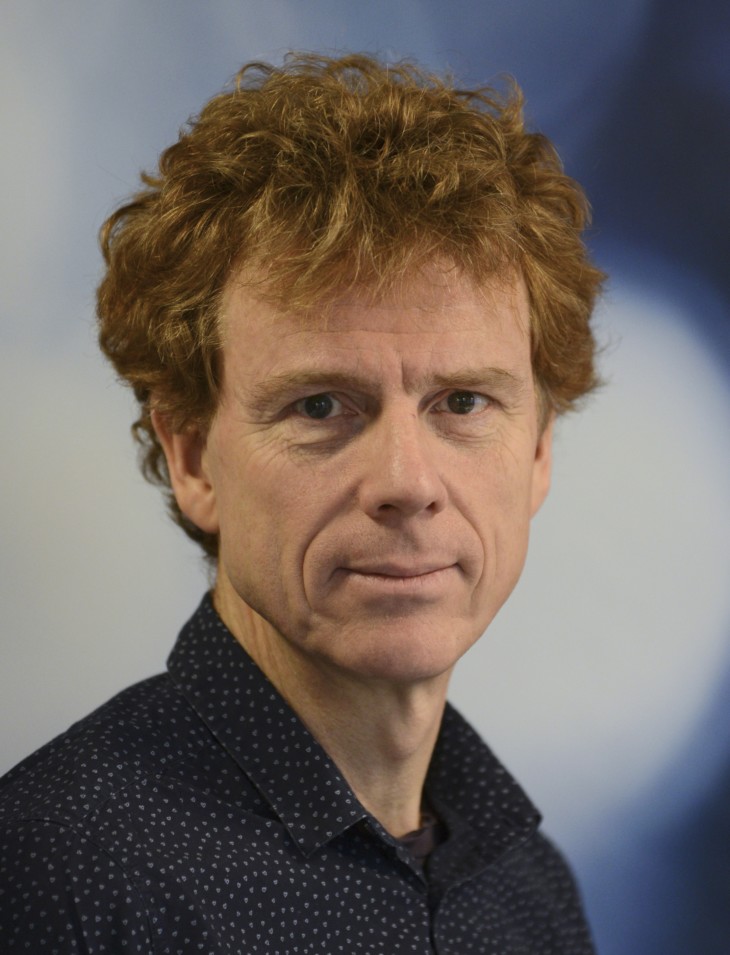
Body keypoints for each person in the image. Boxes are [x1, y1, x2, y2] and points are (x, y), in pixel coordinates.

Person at [0, 54, 603, 953]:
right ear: (193, 457)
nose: (407, 482)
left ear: (541, 450)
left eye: (463, 402)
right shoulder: (56, 874)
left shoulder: (529, 891)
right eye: (321, 406)